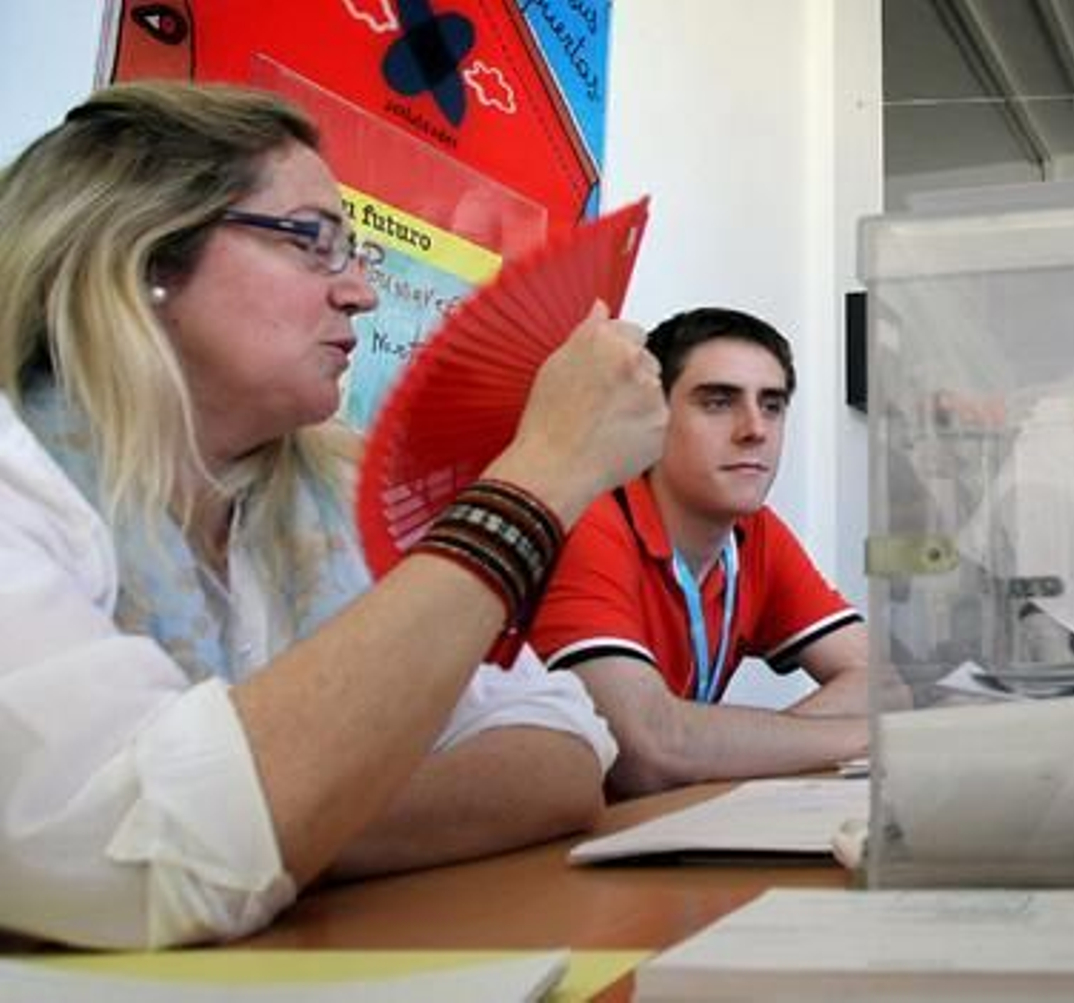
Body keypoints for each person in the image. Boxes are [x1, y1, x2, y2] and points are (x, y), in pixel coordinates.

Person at [0, 81, 667, 949]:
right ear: (147, 260)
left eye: (355, 252)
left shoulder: (328, 502)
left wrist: (295, 811)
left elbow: (565, 750)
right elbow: (142, 858)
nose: (358, 291)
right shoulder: (19, 481)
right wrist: (541, 473)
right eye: (314, 241)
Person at [532, 307, 870, 798]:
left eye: (772, 405)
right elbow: (645, 751)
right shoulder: (590, 517)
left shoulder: (756, 531)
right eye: (717, 402)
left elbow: (881, 679)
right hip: (522, 847)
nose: (755, 428)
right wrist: (864, 737)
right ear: (653, 417)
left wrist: (730, 749)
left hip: (643, 828)